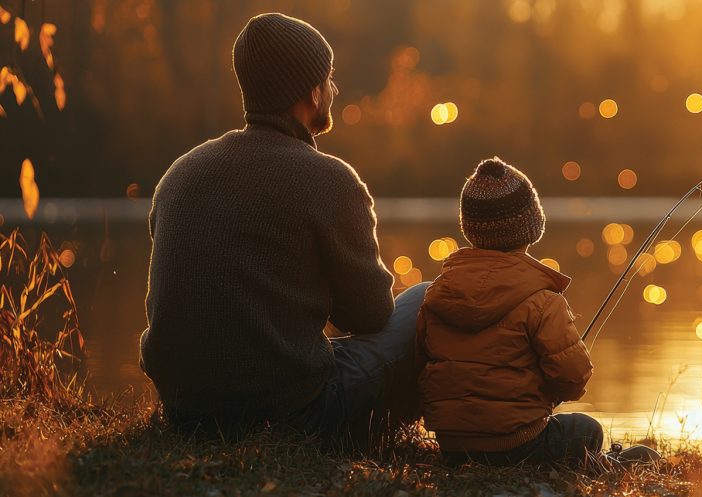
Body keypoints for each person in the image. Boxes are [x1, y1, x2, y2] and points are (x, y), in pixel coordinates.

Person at [139, 13, 425, 450]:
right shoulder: (330, 180)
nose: (334, 89)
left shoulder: (180, 173)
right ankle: (425, 432)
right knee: (425, 298)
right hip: (293, 412)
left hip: (184, 411)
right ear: (312, 93)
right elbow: (370, 315)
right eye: (329, 79)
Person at [415, 157, 605, 466]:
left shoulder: (438, 294)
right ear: (532, 227)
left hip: (453, 445)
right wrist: (546, 392)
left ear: (469, 228)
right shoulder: (543, 301)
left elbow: (421, 361)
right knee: (587, 430)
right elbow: (573, 378)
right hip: (517, 443)